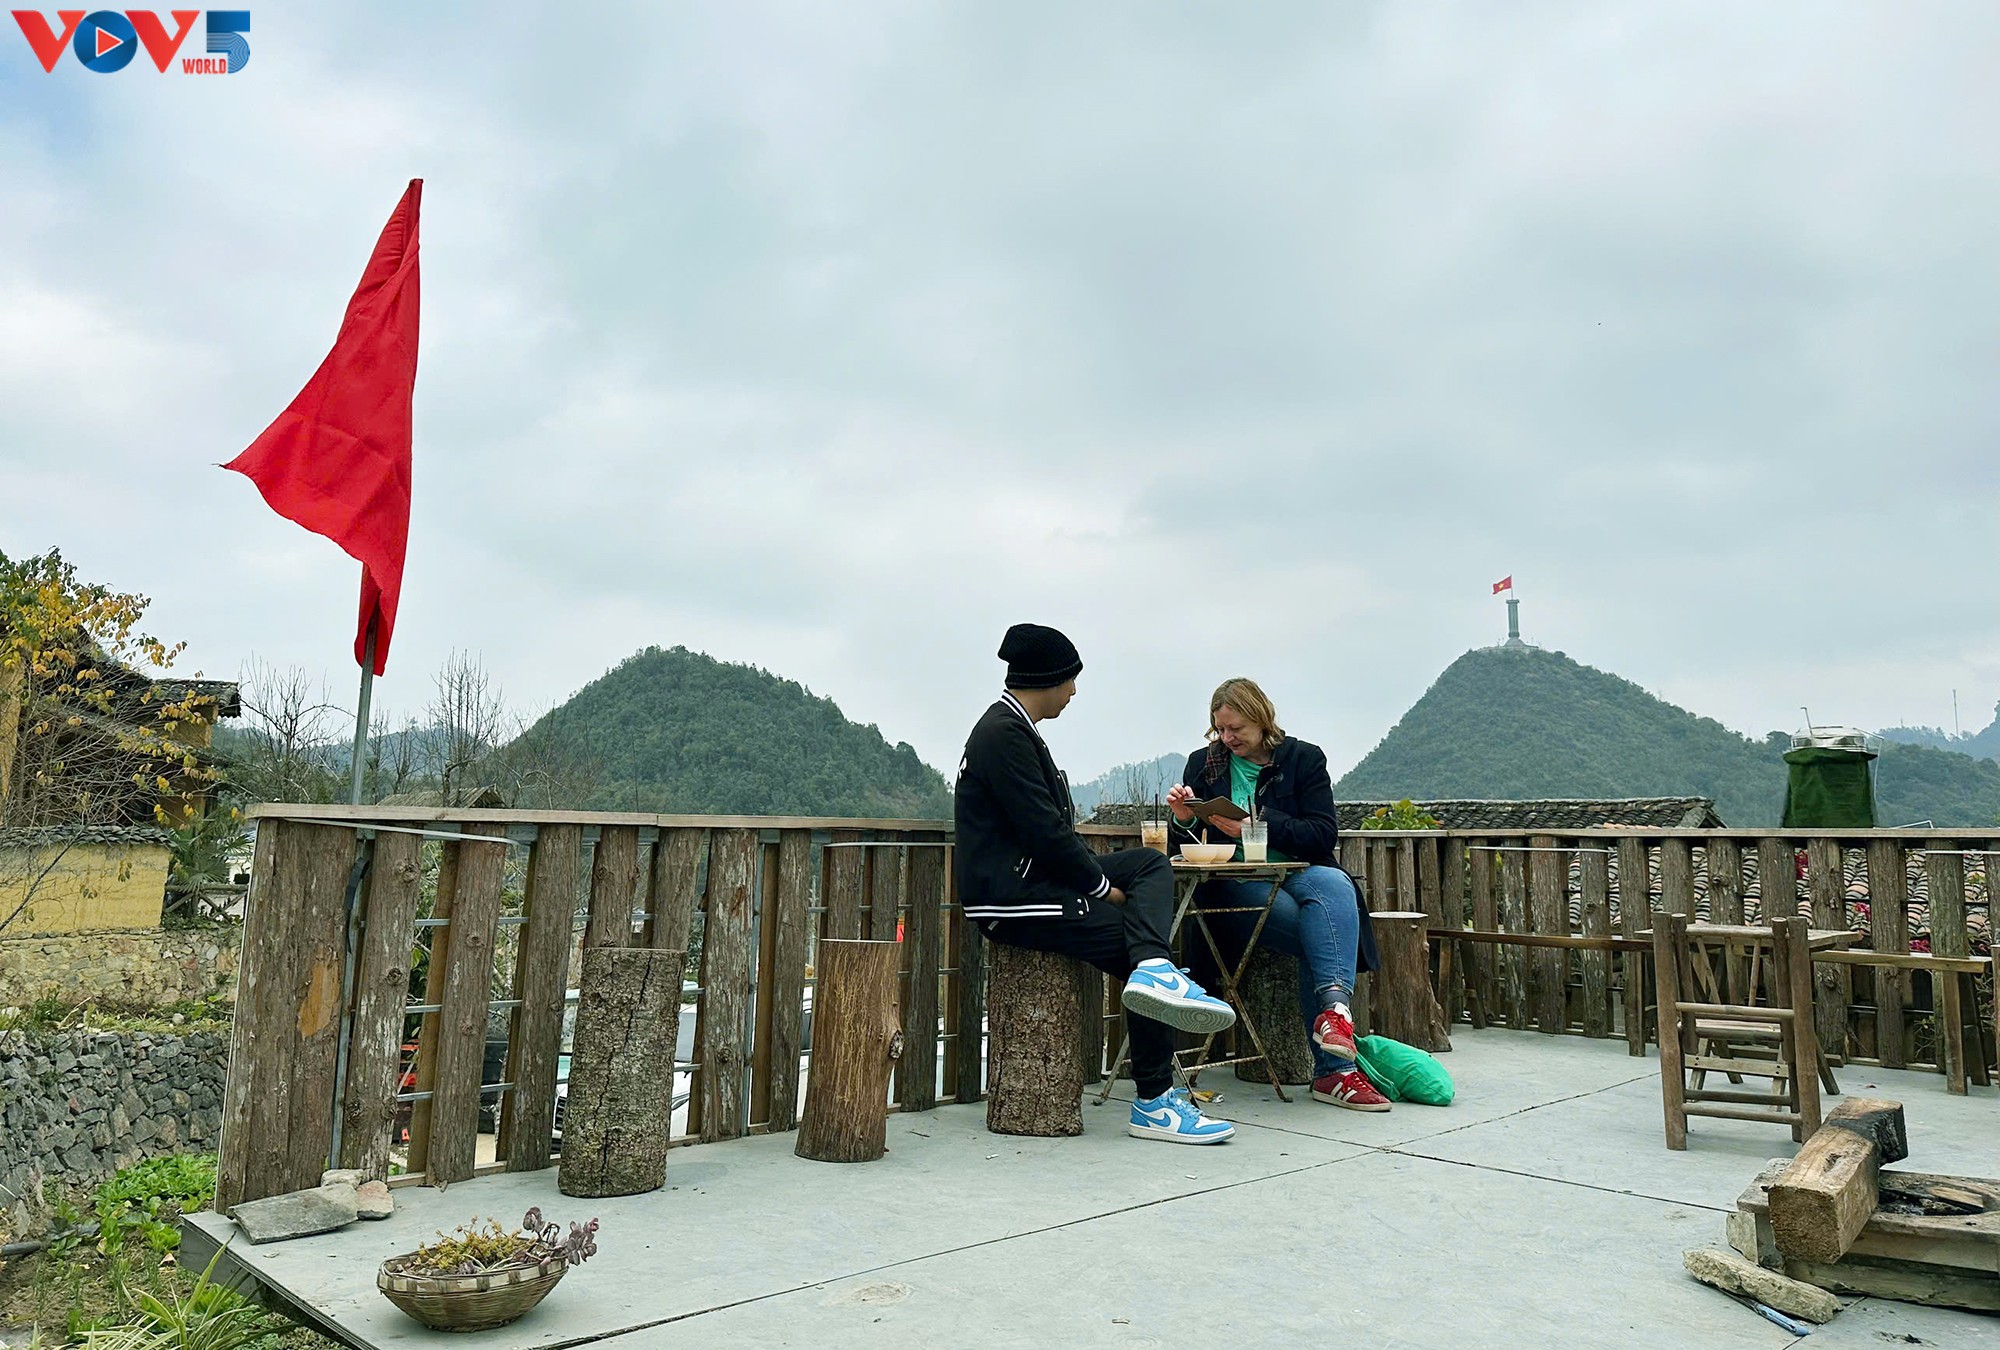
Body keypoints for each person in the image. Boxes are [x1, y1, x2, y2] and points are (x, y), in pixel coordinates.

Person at [956, 623, 1237, 1144]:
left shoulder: (1013, 728)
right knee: (1138, 951)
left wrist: (1098, 876)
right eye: (1070, 680)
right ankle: (1153, 1102)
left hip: (1038, 881)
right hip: (1014, 899)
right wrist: (1100, 887)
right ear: (1047, 679)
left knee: (1150, 865)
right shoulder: (1002, 734)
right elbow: (1044, 832)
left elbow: (1051, 832)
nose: (1074, 691)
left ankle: (1155, 968)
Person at [1168, 676, 1389, 1111]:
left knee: (1336, 883)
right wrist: (1185, 818)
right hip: (1234, 882)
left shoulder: (1303, 759)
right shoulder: (1203, 764)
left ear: (1262, 719)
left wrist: (1259, 825)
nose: (1227, 738)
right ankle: (1335, 1069)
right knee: (1318, 933)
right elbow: (1185, 848)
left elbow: (1322, 834)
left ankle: (1334, 1018)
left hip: (1299, 870)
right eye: (1220, 729)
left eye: (1236, 729)